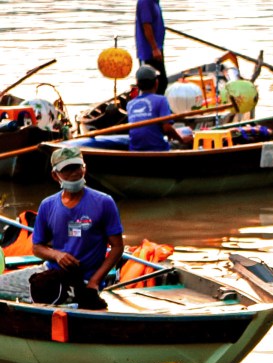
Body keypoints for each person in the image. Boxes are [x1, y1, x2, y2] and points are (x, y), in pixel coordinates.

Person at [29, 146, 124, 308]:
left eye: (77, 167)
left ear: (84, 168)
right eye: (67, 169)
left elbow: (117, 247)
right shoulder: (47, 205)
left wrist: (95, 281)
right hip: (53, 273)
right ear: (55, 175)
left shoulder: (104, 202)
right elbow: (37, 247)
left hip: (86, 279)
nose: (74, 173)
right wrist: (57, 255)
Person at [126, 65, 185, 151]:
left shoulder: (130, 104)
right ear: (156, 83)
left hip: (135, 150)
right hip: (158, 149)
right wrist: (182, 140)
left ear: (137, 84)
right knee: (186, 141)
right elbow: (167, 129)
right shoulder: (161, 100)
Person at [136, 0, 167, 94]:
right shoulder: (146, 2)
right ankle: (154, 106)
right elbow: (146, 26)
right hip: (150, 52)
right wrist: (154, 48)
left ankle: (159, 105)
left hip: (158, 48)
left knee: (162, 82)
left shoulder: (155, 2)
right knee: (156, 84)